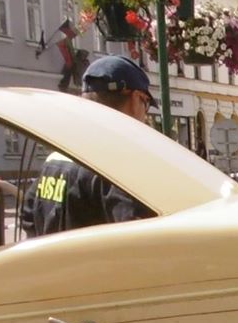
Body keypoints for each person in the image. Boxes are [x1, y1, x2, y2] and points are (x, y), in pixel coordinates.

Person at [24, 54, 159, 235]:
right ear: (136, 99)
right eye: (146, 103)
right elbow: (138, 237)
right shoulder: (118, 165)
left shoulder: (56, 158)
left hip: (54, 262)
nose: (145, 114)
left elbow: (28, 217)